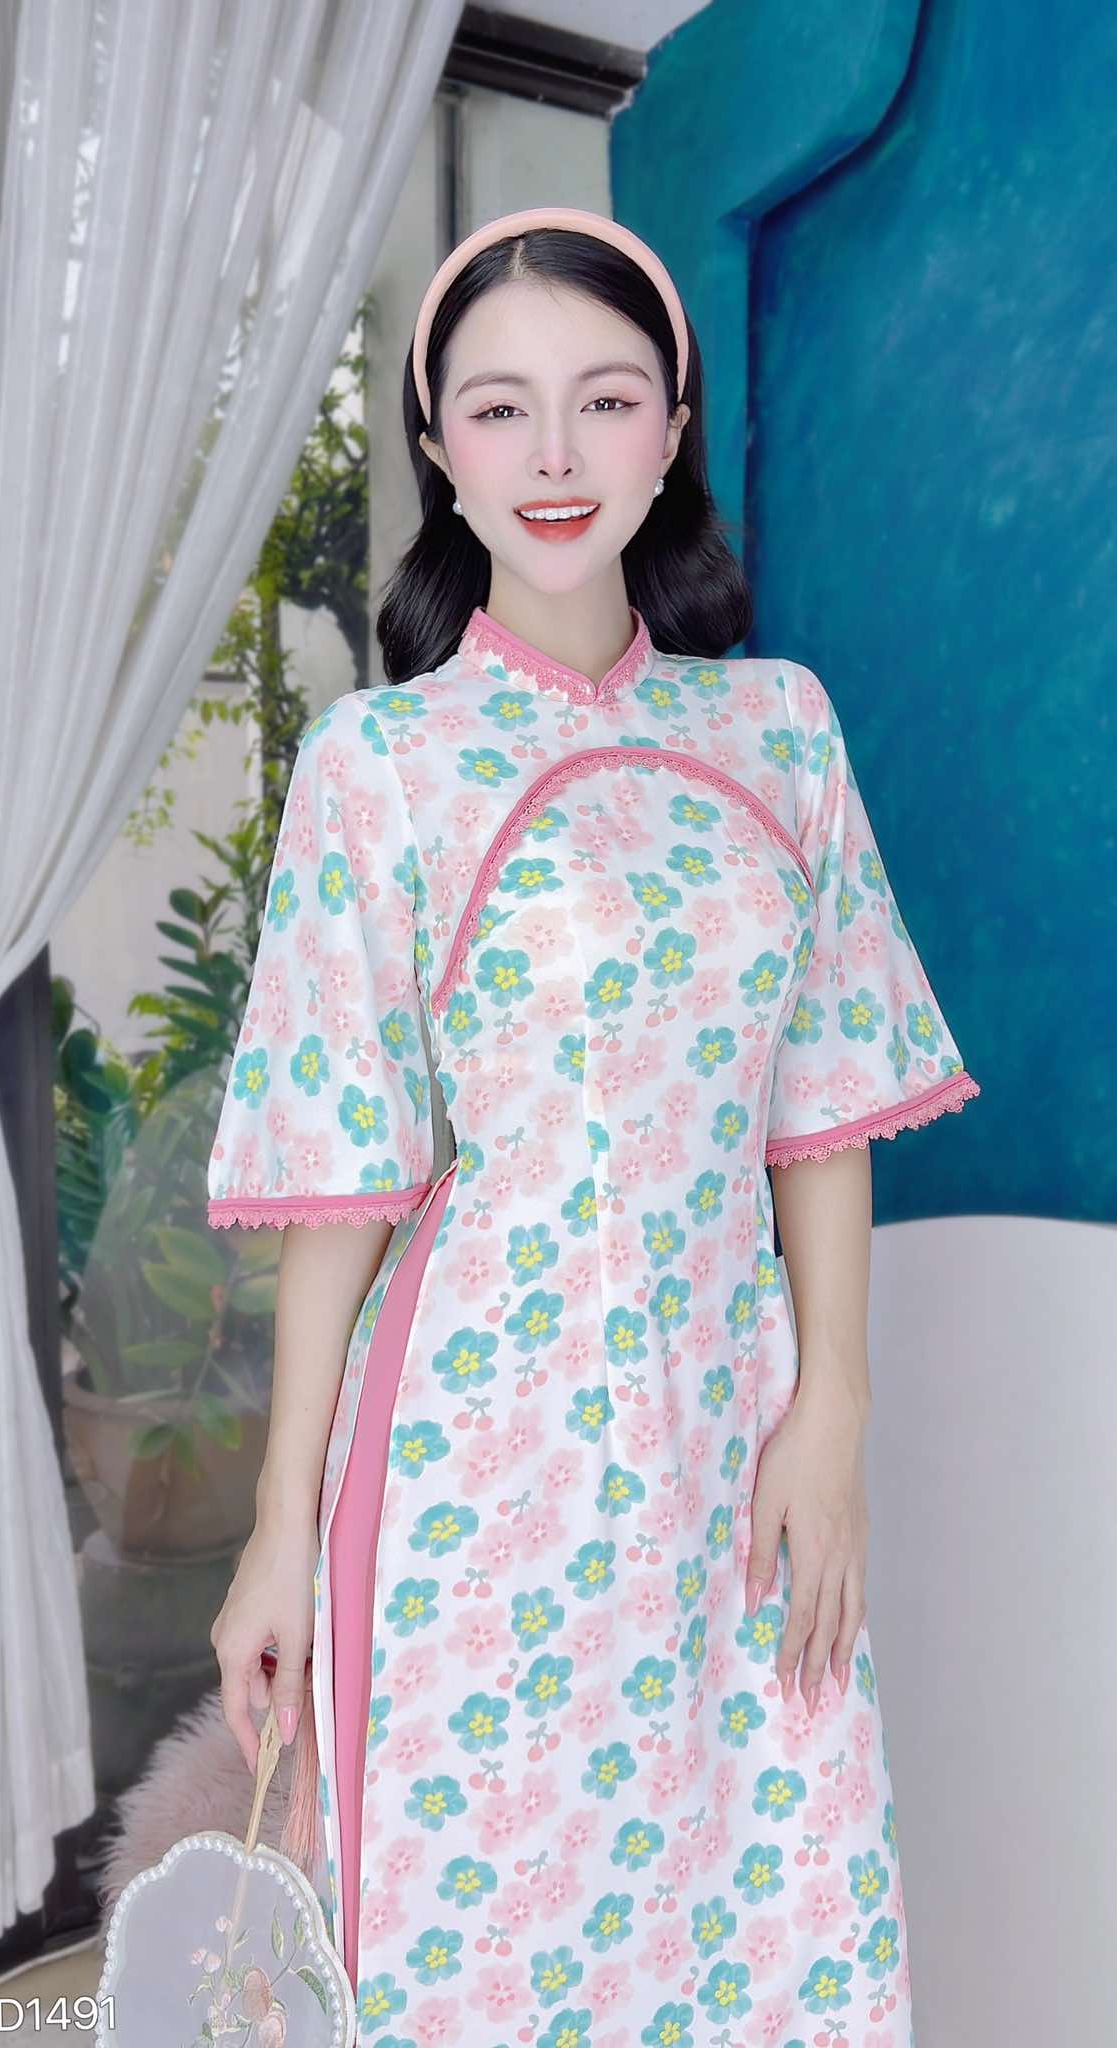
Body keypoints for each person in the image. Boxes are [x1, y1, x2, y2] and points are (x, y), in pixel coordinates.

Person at [206, 204, 979, 2045]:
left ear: (669, 428)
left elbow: (820, 1106)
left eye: (605, 400)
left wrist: (834, 1412)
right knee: (493, 1941)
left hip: (734, 1429)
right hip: (476, 1452)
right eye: (500, 409)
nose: (554, 455)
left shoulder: (780, 732)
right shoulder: (380, 765)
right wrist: (278, 1526)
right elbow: (346, 1183)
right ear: (437, 444)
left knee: (770, 1906)